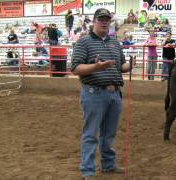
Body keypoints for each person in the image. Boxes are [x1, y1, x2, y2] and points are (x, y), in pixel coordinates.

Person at [71, 8, 133, 180]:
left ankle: (108, 165)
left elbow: (121, 67)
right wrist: (95, 67)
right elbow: (75, 68)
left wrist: (131, 65)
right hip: (94, 93)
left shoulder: (114, 42)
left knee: (109, 133)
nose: (105, 22)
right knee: (91, 134)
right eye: (101, 19)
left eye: (107, 19)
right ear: (94, 21)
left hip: (114, 94)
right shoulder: (84, 42)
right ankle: (88, 171)